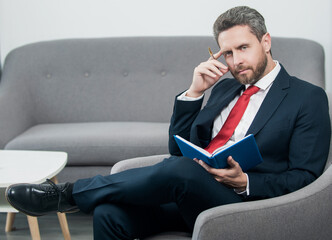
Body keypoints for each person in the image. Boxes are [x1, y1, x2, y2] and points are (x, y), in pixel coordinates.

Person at [6, 6, 331, 240]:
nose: (235, 61)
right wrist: (193, 93)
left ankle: (67, 195)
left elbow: (305, 176)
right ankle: (73, 197)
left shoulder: (308, 98)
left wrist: (244, 181)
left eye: (243, 48)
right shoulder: (226, 87)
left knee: (183, 170)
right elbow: (177, 149)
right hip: (190, 191)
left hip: (245, 205)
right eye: (227, 53)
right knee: (110, 215)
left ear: (266, 41)